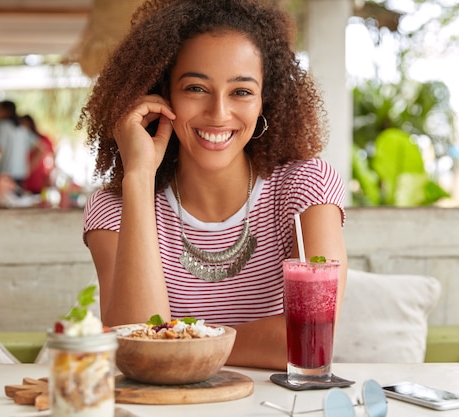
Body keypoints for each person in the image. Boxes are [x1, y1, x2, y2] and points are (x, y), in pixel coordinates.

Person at [80, 0, 348, 370]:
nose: (219, 113)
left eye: (241, 91)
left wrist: (182, 345)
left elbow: (312, 338)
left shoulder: (304, 188)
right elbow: (137, 346)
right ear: (161, 94)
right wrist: (139, 177)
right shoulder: (115, 207)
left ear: (263, 102)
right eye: (195, 88)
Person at [0, 100, 36, 187]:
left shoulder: (0, 127)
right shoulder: (22, 129)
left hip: (2, 174)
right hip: (20, 174)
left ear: (6, 111)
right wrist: (28, 168)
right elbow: (41, 149)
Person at [20, 115, 56, 195]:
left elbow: (51, 157)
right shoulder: (20, 141)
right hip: (25, 184)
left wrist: (29, 169)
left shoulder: (42, 139)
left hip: (40, 182)